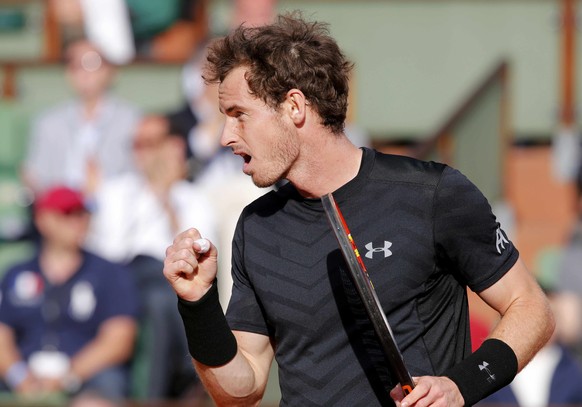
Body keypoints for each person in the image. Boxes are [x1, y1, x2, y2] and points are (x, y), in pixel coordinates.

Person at [162, 12, 554, 407]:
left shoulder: (431, 193)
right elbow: (240, 391)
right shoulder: (257, 226)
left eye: (239, 115)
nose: (227, 136)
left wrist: (461, 385)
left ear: (294, 107)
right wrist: (198, 305)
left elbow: (532, 309)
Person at [84, 114, 216, 399]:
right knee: (156, 295)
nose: (142, 152)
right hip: (122, 277)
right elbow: (109, 253)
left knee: (159, 299)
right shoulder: (115, 192)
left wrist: (165, 197)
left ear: (173, 146)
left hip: (168, 281)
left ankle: (155, 396)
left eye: (150, 143)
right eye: (136, 144)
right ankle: (193, 374)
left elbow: (198, 254)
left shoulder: (191, 197)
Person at [0, 186, 139, 401]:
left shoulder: (109, 272)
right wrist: (20, 377)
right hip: (25, 372)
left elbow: (118, 339)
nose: (78, 221)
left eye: (82, 213)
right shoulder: (17, 273)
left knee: (104, 391)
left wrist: (68, 375)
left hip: (85, 375)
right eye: (67, 214)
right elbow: (2, 335)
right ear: (43, 220)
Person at [22, 38, 141, 198]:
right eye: (76, 65)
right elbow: (37, 177)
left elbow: (139, 177)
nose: (85, 73)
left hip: (117, 208)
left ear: (110, 70)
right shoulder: (48, 122)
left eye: (93, 63)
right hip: (61, 212)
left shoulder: (133, 120)